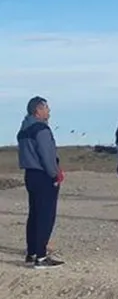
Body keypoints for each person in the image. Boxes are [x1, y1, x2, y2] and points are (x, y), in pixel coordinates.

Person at [17, 96, 65, 269]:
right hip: (44, 175)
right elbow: (47, 155)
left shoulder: (23, 130)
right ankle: (42, 257)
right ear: (38, 110)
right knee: (46, 215)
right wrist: (55, 174)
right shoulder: (41, 129)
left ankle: (32, 253)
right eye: (46, 108)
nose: (49, 111)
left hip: (30, 175)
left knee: (35, 214)